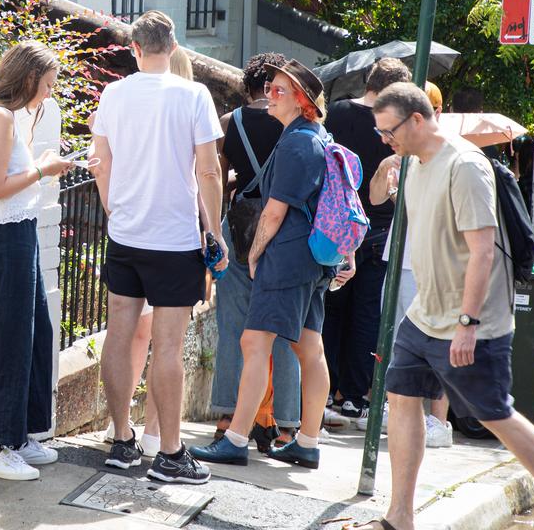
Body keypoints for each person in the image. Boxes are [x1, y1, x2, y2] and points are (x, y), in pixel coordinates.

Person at [348, 82, 534, 530]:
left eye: (389, 131)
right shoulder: (413, 164)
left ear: (418, 119)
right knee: (401, 397)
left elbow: (482, 251)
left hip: (471, 322)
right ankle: (399, 517)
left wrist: (467, 322)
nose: (386, 140)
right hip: (424, 315)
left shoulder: (464, 166)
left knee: (494, 413)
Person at [92, 11, 226, 484]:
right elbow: (208, 171)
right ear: (172, 48)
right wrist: (214, 231)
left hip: (126, 236)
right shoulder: (193, 95)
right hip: (173, 239)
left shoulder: (113, 93)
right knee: (167, 346)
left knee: (119, 335)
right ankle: (170, 454)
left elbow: (99, 162)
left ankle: (122, 441)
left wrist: (114, 211)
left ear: (134, 49)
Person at [193, 58, 347, 469]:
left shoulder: (298, 141)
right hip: (310, 260)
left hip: (287, 257)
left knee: (253, 342)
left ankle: (236, 438)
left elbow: (275, 212)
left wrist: (257, 252)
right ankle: (307, 441)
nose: (269, 96)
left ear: (300, 101)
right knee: (308, 346)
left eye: (279, 91)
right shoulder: (314, 135)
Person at [0, 41, 71, 481]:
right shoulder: (0, 117)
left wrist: (40, 163)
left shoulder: (4, 116)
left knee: (34, 331)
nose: (46, 95)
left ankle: (19, 434)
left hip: (17, 231)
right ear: (27, 79)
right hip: (3, 236)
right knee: (10, 338)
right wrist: (43, 170)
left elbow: (6, 179)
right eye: (45, 86)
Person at [211, 52, 301, 451]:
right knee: (283, 331)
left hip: (239, 227)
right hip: (285, 232)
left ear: (247, 87)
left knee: (233, 326)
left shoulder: (230, 123)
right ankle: (286, 424)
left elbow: (218, 176)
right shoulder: (296, 124)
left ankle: (228, 416)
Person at [321, 57, 410, 427]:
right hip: (378, 227)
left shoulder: (339, 113)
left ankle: (326, 389)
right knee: (366, 315)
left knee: (331, 309)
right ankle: (355, 397)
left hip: (338, 223)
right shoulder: (394, 124)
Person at [369, 81, 452, 448]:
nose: (390, 136)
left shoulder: (445, 158)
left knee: (435, 340)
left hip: (432, 262)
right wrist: (388, 170)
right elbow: (375, 198)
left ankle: (439, 421)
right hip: (401, 253)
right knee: (396, 335)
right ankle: (403, 408)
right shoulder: (399, 158)